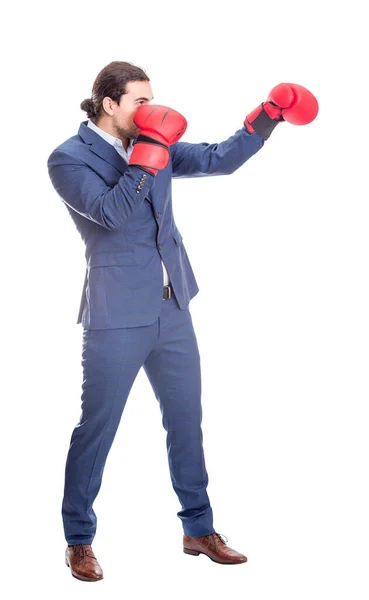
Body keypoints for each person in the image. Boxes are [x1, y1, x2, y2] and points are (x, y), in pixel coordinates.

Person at [47, 61, 318, 582]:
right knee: (97, 430)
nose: (151, 110)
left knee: (186, 423)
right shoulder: (67, 158)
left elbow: (220, 158)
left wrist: (268, 115)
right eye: (139, 101)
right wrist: (149, 155)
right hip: (116, 316)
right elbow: (111, 213)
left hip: (172, 308)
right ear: (110, 104)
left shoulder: (156, 142)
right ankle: (78, 539)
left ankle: (199, 528)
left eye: (153, 99)